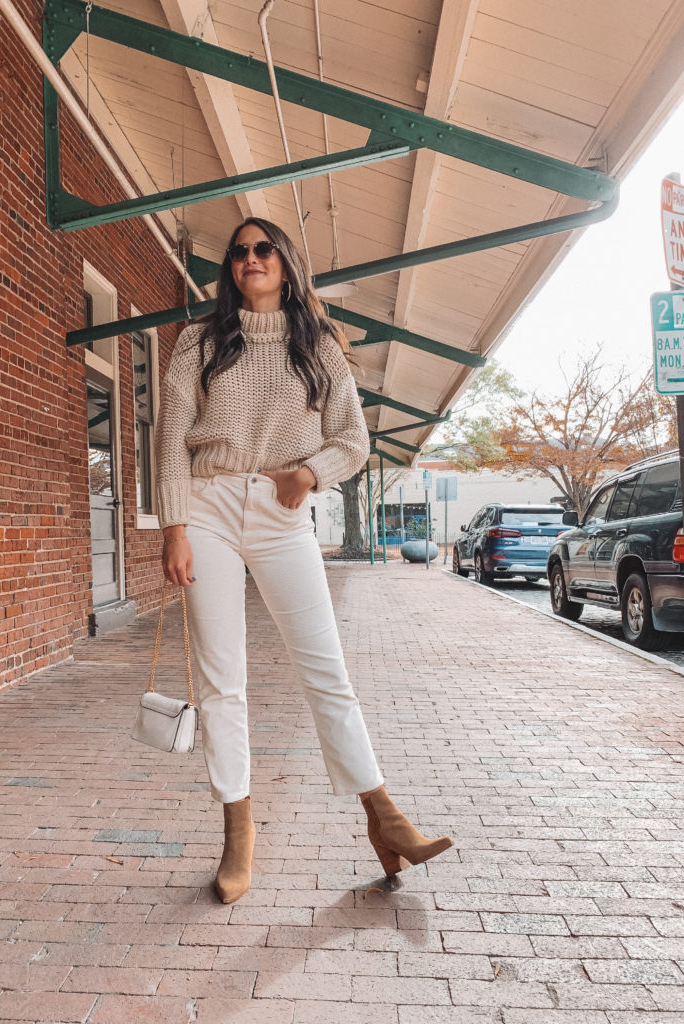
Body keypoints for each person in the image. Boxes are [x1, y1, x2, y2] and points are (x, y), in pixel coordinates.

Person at [156, 217, 452, 903]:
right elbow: (171, 439)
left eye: (263, 249)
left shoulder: (317, 343)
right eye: (238, 252)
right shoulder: (199, 341)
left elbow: (353, 439)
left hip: (285, 512)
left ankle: (386, 817)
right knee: (222, 679)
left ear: (287, 264)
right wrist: (173, 524)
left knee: (327, 670)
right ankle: (238, 837)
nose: (249, 259)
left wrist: (310, 474)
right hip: (208, 506)